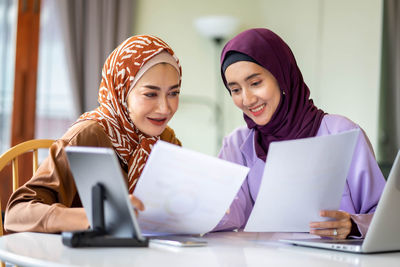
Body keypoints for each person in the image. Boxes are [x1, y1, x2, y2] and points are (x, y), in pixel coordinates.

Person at [213, 28, 386, 239]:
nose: (247, 100)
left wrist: (353, 225)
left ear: (281, 76)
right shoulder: (237, 144)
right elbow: (228, 215)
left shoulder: (341, 132)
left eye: (255, 83)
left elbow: (386, 216)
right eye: (236, 90)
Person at [4, 35, 182, 233]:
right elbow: (16, 212)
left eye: (173, 93)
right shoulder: (87, 135)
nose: (165, 108)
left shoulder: (166, 141)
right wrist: (96, 215)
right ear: (121, 93)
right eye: (150, 94)